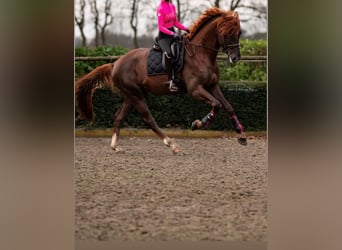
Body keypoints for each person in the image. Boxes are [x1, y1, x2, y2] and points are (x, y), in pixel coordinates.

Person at [156, 0, 190, 92]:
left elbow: (175, 23)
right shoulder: (160, 9)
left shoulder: (172, 6)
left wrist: (186, 29)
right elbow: (161, 27)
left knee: (183, 50)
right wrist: (172, 33)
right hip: (163, 37)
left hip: (172, 35)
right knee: (168, 54)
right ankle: (170, 81)